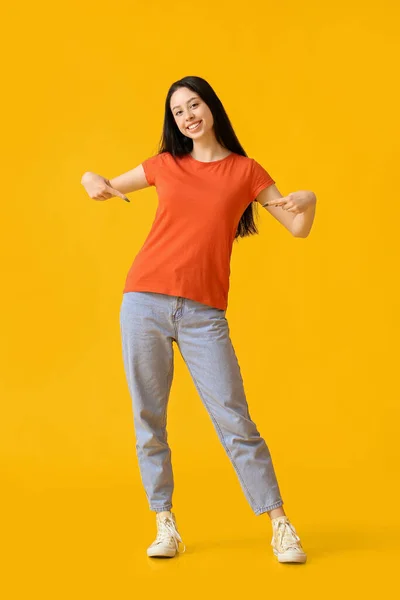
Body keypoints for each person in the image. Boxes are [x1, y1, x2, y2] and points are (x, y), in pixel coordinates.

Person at [81, 76, 316, 564]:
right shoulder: (164, 165)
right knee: (149, 416)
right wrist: (89, 179)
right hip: (143, 300)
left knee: (235, 419)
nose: (188, 116)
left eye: (194, 105)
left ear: (211, 108)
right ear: (174, 121)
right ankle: (164, 522)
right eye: (178, 111)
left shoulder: (246, 172)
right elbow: (101, 185)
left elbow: (297, 227)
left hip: (204, 314)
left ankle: (279, 524)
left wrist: (308, 199)